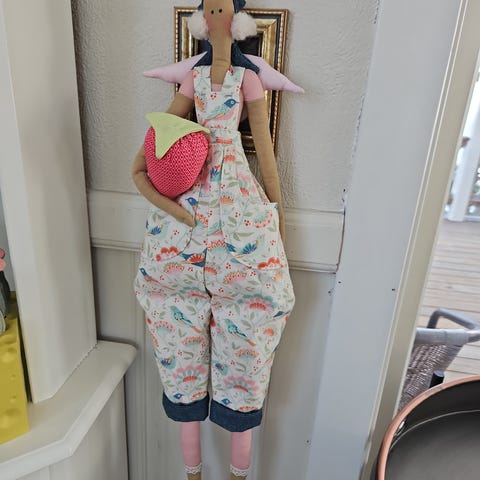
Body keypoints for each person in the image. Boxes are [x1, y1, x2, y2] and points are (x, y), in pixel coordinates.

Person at [132, 1, 294, 478]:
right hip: (185, 213)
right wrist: (167, 201)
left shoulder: (248, 80)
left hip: (239, 210)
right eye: (211, 11)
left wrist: (276, 217)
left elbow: (266, 154)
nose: (217, 19)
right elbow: (159, 139)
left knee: (249, 334)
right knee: (174, 329)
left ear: (237, 21)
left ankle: (236, 473)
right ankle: (193, 472)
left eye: (223, 11)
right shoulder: (193, 80)